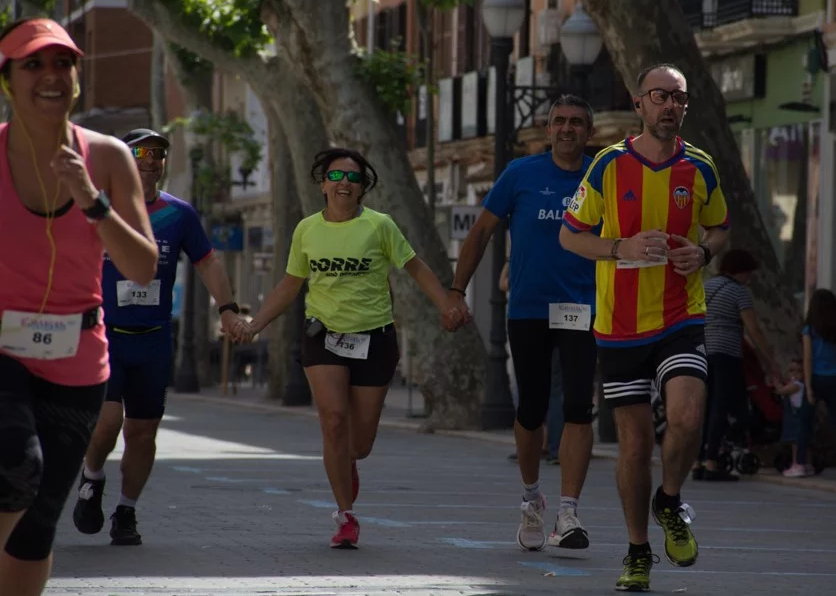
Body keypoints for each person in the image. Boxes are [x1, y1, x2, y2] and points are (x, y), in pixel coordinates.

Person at [232, 148, 462, 549]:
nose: (343, 184)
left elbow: (416, 268)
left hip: (374, 338)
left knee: (359, 444)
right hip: (324, 337)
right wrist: (255, 325)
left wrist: (447, 304)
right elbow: (290, 285)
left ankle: (348, 462)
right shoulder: (307, 229)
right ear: (323, 184)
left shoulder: (380, 226)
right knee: (334, 422)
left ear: (362, 189)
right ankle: (345, 516)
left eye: (353, 178)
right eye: (335, 177)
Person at [0, 18, 158, 596]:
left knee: (38, 525)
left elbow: (142, 267)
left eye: (63, 63)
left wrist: (92, 202)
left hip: (78, 359)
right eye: (33, 64)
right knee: (15, 465)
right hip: (3, 350)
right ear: (8, 80)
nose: (51, 76)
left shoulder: (109, 157)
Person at [559, 64, 730, 592]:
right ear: (639, 103)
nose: (670, 105)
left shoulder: (700, 167)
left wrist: (702, 252)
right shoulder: (608, 165)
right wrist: (619, 249)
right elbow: (571, 237)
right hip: (619, 327)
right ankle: (637, 551)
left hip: (681, 316)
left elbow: (720, 228)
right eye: (660, 96)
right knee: (633, 447)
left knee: (687, 414)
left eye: (679, 98)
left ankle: (670, 500)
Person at [72, 128, 245, 545]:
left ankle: (126, 512)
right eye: (141, 152)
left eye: (159, 154)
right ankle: (92, 479)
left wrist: (227, 309)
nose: (151, 160)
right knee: (106, 423)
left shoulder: (178, 213)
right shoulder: (99, 208)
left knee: (143, 432)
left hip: (153, 337)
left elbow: (207, 263)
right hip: (104, 334)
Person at [448, 94, 598, 551]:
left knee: (578, 405)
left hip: (585, 309)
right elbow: (480, 234)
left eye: (576, 122)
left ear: (588, 132)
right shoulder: (520, 174)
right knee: (530, 408)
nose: (568, 129)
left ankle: (569, 513)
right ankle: (532, 500)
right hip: (529, 308)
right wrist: (456, 291)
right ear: (547, 130)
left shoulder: (604, 174)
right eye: (559, 122)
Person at [697, 249, 779, 482]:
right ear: (741, 271)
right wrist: (769, 361)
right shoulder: (738, 292)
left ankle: (698, 461)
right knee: (720, 407)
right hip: (727, 353)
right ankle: (712, 462)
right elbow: (753, 329)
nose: (749, 278)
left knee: (706, 406)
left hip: (703, 352)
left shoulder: (707, 287)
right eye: (748, 273)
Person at [793, 288, 836, 478]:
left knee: (805, 422)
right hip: (833, 378)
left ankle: (800, 463)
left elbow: (808, 358)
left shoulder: (809, 330)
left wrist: (809, 386)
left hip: (815, 377)